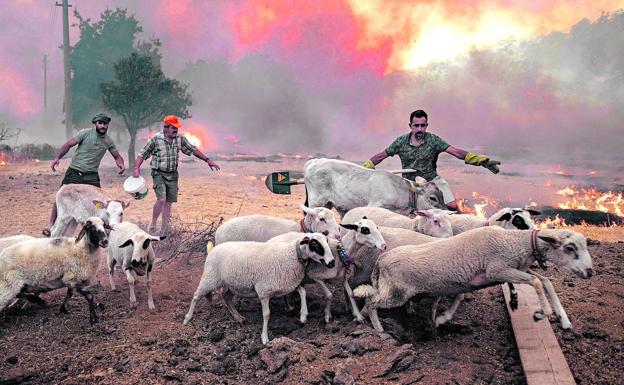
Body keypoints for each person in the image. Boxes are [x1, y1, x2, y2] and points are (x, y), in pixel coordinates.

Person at [362, 109, 500, 211]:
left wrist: (477, 160)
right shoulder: (401, 142)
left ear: (426, 125)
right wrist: (367, 166)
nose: (420, 129)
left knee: (451, 207)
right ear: (410, 126)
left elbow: (455, 152)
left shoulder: (433, 140)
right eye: (416, 126)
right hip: (411, 185)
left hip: (432, 181)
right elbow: (382, 155)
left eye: (423, 125)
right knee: (406, 212)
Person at [133, 115, 220, 235]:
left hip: (173, 174)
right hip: (158, 172)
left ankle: (164, 229)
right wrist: (136, 168)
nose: (175, 130)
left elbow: (193, 150)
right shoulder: (155, 139)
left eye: (176, 128)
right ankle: (153, 223)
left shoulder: (180, 139)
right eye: (173, 128)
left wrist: (207, 160)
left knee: (169, 202)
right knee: (162, 199)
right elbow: (142, 154)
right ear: (165, 128)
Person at [43, 113, 125, 236]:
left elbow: (117, 156)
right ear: (95, 124)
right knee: (62, 194)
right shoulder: (85, 133)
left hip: (91, 175)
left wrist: (121, 164)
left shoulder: (108, 141)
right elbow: (68, 145)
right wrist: (57, 157)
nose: (102, 126)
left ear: (107, 125)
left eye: (105, 123)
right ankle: (50, 224)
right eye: (100, 123)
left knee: (99, 203)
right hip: (75, 171)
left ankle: (95, 231)